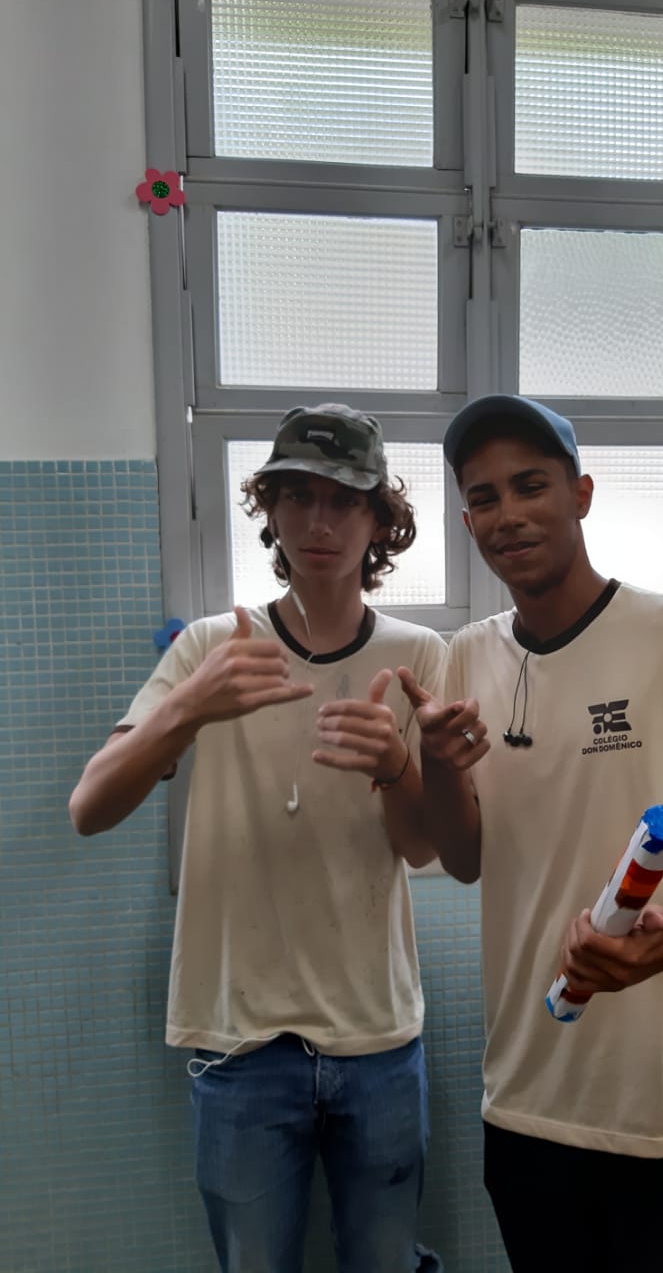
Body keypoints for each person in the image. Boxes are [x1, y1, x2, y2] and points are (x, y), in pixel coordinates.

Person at [398, 395, 663, 1272]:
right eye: (484, 497)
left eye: (530, 485)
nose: (507, 514)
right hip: (529, 1091)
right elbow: (465, 861)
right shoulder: (463, 660)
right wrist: (438, 766)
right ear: (466, 521)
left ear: (581, 494)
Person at [69, 404, 445, 1273]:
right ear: (267, 510)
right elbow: (90, 807)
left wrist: (395, 766)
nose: (319, 522)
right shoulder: (214, 646)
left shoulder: (419, 655)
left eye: (344, 501)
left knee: (385, 1261)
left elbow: (427, 850)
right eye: (296, 496)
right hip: (239, 1040)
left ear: (379, 521)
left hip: (377, 1034)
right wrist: (188, 708)